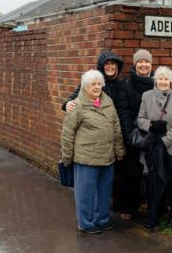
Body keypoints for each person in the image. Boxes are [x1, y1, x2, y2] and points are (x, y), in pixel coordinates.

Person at [61, 50, 131, 219]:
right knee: (88, 187)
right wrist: (67, 104)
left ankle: (107, 214)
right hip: (89, 149)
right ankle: (87, 220)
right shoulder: (89, 84)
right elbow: (72, 105)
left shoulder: (123, 86)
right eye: (107, 64)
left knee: (109, 184)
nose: (110, 67)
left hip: (115, 141)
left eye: (113, 64)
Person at [137, 66, 172, 229]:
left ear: (170, 81)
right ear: (155, 80)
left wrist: (165, 140)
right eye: (160, 78)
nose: (163, 82)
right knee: (153, 180)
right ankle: (154, 214)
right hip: (152, 146)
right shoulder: (147, 96)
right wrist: (151, 125)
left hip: (171, 146)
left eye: (166, 79)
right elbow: (140, 119)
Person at [115, 49, 156, 220]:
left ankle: (154, 207)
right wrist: (131, 135)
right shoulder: (126, 85)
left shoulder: (156, 83)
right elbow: (123, 113)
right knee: (131, 173)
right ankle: (129, 207)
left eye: (147, 62)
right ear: (135, 64)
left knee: (153, 172)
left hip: (153, 134)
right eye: (140, 62)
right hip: (133, 135)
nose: (144, 65)